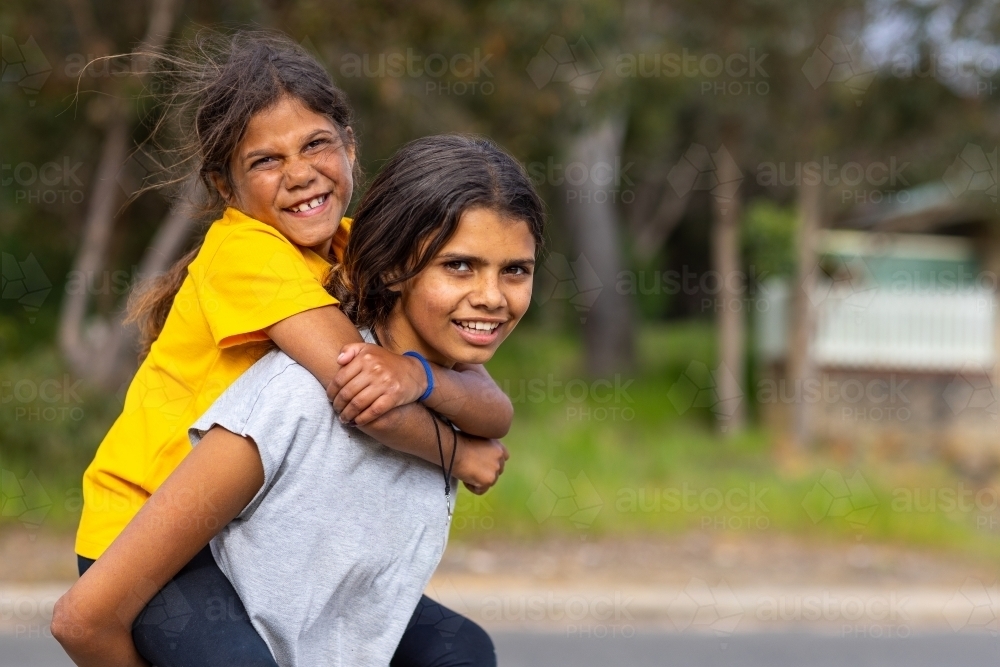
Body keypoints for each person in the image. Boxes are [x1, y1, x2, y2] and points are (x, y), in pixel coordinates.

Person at [63, 30, 511, 666]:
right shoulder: (247, 251)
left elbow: (485, 396)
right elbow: (360, 391)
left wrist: (421, 377)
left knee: (459, 650)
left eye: (316, 144)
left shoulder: (356, 250)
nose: (300, 173)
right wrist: (461, 452)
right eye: (264, 161)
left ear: (350, 145)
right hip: (153, 530)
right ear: (225, 186)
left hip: (253, 530)